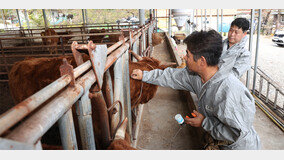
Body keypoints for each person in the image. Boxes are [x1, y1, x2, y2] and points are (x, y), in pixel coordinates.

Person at [130, 30, 261, 150]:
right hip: (219, 141)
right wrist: (145, 75)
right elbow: (170, 76)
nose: (184, 57)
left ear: (202, 61)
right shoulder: (196, 76)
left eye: (188, 54)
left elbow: (235, 133)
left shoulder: (229, 92)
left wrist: (204, 122)